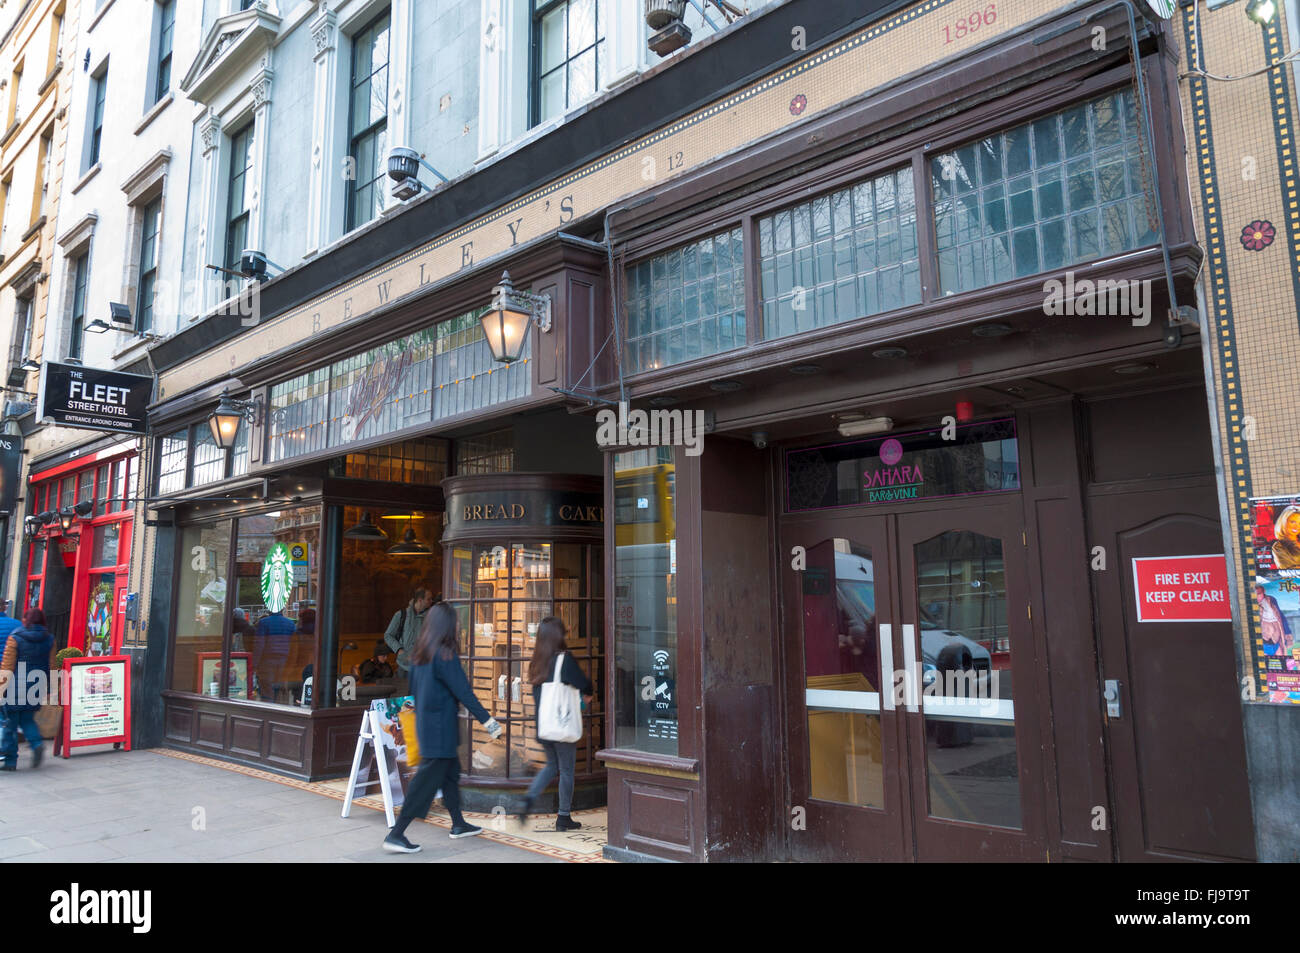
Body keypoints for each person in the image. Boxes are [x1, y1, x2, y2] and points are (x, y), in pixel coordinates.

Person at [383, 602, 502, 853]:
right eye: (456, 623)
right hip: (441, 730)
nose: (458, 626)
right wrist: (488, 721)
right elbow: (464, 692)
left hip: (428, 727)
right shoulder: (445, 654)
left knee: (449, 776)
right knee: (424, 784)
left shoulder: (419, 655)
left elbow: (413, 694)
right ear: (448, 626)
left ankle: (458, 824)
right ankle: (396, 833)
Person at [517, 616, 592, 832]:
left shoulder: (537, 662)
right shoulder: (564, 660)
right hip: (562, 725)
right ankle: (563, 817)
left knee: (552, 766)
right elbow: (583, 683)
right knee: (567, 770)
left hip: (544, 725)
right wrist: (589, 694)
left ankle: (528, 799)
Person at [0, 608, 53, 771]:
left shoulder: (15, 638)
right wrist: (50, 687)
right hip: (36, 685)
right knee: (27, 719)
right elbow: (51, 665)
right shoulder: (49, 639)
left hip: (15, 686)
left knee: (10, 723)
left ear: (26, 620)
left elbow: (7, 666)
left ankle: (10, 761)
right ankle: (36, 743)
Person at [383, 586, 433, 680]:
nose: (431, 601)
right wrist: (399, 650)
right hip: (404, 666)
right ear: (420, 600)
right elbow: (388, 635)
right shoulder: (401, 615)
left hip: (423, 667)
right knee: (404, 693)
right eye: (428, 599)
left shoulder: (431, 617)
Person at [1256, 584, 1294, 655]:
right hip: (1264, 638)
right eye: (1256, 594)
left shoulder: (1271, 599)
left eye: (1259, 594)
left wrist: (1288, 635)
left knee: (1281, 659)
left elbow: (1281, 617)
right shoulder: (1253, 604)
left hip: (1276, 637)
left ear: (1264, 591)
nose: (1258, 597)